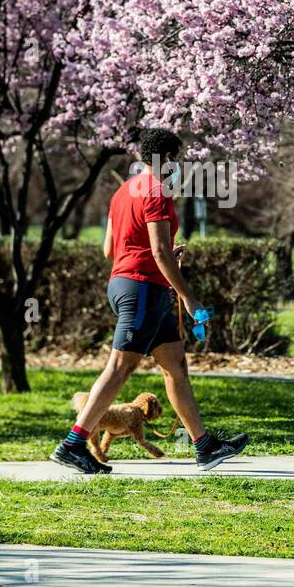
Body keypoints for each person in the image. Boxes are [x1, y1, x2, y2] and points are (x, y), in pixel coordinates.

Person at [50, 128, 249, 474]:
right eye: (176, 159)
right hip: (141, 290)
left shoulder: (123, 192)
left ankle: (204, 446)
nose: (178, 166)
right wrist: (188, 296)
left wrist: (163, 258)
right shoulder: (156, 192)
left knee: (175, 367)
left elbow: (109, 250)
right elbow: (158, 250)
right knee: (120, 367)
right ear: (166, 158)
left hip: (131, 286)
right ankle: (72, 444)